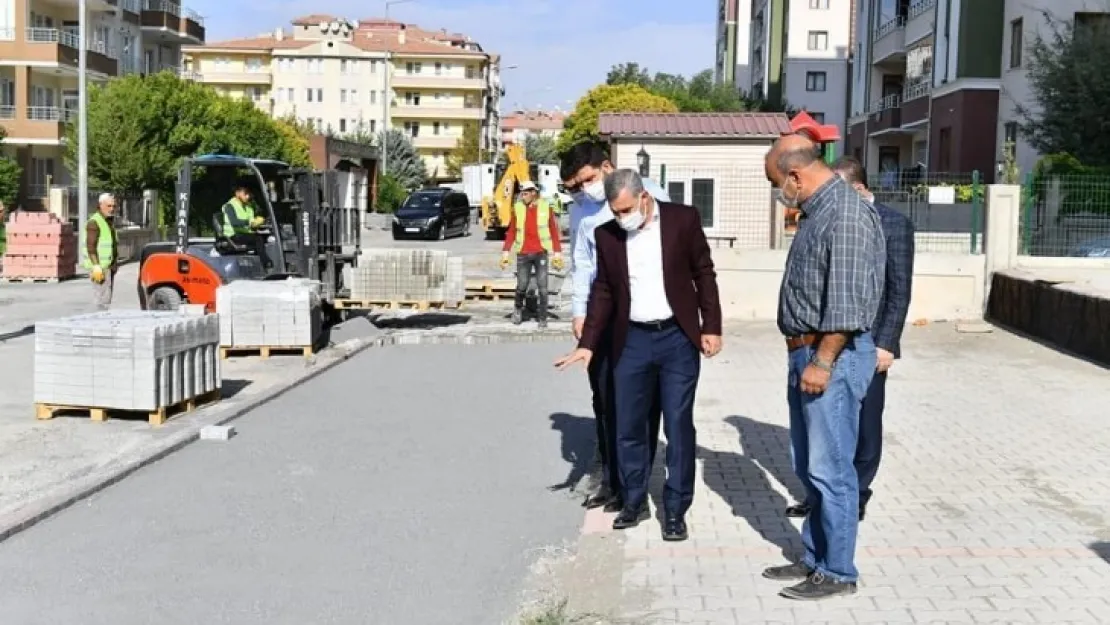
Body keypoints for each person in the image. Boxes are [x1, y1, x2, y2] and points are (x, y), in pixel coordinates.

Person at [555, 169, 722, 542]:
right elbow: (603, 292)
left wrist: (711, 325)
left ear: (644, 197)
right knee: (628, 427)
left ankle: (676, 510)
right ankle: (633, 501)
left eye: (626, 209)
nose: (621, 217)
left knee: (678, 426)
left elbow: (704, 273)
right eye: (615, 211)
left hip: (677, 339)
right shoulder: (608, 235)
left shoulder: (683, 220)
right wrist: (589, 343)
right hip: (630, 342)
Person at [760, 134, 885, 601]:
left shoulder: (847, 214)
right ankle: (815, 558)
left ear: (795, 175)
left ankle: (838, 571)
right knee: (810, 465)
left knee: (832, 469)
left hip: (829, 357)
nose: (780, 193)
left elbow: (848, 305)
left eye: (778, 183)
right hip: (807, 354)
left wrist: (822, 361)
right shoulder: (821, 211)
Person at [784, 156, 915, 522]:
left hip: (869, 342)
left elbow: (899, 289)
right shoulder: (825, 217)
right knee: (825, 431)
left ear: (858, 188)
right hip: (825, 339)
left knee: (866, 423)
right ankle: (820, 498)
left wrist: (887, 342)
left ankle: (856, 494)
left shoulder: (895, 224)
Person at [560, 141, 671, 511]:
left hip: (641, 318)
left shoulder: (649, 195)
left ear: (606, 167)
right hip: (600, 318)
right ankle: (610, 481)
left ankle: (633, 484)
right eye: (573, 186)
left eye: (586, 180)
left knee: (639, 405)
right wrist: (580, 314)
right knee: (605, 402)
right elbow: (582, 265)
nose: (582, 190)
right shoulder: (582, 211)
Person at [499, 181, 563, 327]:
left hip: (541, 252)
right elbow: (512, 231)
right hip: (523, 253)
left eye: (526, 193)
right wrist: (505, 252)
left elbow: (553, 230)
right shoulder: (518, 208)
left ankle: (542, 318)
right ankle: (517, 309)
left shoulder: (546, 207)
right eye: (522, 193)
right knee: (522, 285)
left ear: (534, 193)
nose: (523, 195)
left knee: (543, 287)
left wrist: (557, 252)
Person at [81, 193, 119, 310]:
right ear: (101, 205)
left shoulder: (108, 221)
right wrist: (96, 266)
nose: (112, 209)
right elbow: (90, 246)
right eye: (109, 206)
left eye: (114, 206)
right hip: (100, 268)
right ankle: (100, 323)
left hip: (108, 267)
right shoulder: (94, 222)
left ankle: (103, 320)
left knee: (106, 298)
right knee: (102, 301)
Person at [221, 182, 267, 262]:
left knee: (266, 238)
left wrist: (258, 223)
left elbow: (251, 224)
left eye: (248, 194)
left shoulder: (248, 206)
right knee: (258, 239)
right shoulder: (230, 206)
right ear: (237, 193)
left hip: (244, 233)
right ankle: (266, 263)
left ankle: (256, 262)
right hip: (233, 235)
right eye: (245, 194)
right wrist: (250, 222)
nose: (248, 196)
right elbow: (235, 222)